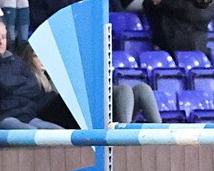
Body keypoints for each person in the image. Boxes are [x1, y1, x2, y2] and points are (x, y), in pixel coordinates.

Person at [17, 42, 161, 126]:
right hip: (72, 119)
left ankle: (160, 132)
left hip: (88, 113)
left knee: (142, 88)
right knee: (122, 89)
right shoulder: (30, 78)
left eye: (44, 56)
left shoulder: (55, 76)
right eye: (36, 56)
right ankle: (123, 134)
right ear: (29, 58)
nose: (42, 59)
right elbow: (44, 107)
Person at [0, 20, 64, 130]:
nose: (0, 42)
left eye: (3, 37)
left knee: (60, 133)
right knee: (32, 134)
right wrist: (19, 85)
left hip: (27, 117)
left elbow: (33, 85)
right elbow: (1, 84)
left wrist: (10, 87)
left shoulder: (15, 60)